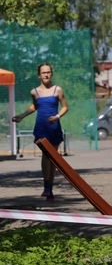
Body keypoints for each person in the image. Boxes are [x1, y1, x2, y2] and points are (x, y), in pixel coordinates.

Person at [12, 62, 69, 202]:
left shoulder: (57, 90)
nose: (46, 75)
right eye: (44, 73)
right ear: (39, 75)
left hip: (54, 127)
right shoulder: (34, 92)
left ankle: (50, 188)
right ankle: (46, 186)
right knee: (46, 155)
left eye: (48, 72)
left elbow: (65, 107)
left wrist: (57, 117)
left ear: (51, 73)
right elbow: (35, 106)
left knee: (53, 157)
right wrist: (21, 115)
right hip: (41, 127)